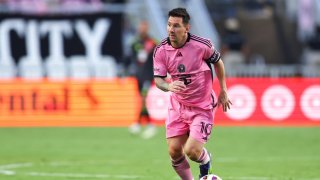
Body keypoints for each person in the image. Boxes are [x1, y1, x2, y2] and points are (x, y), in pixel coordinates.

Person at [153, 8, 232, 179]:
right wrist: (168, 87)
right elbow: (158, 80)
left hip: (202, 106)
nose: (171, 30)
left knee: (192, 151)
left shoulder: (201, 45)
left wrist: (223, 89)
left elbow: (218, 63)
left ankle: (206, 159)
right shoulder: (161, 50)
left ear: (186, 28)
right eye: (169, 25)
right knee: (174, 151)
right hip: (178, 106)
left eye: (176, 26)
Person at [128, 20, 158, 139]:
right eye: (141, 27)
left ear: (148, 28)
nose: (142, 29)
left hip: (148, 75)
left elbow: (160, 58)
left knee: (144, 99)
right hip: (138, 76)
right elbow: (131, 58)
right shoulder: (135, 43)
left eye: (144, 27)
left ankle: (146, 124)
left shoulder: (153, 42)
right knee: (141, 99)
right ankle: (142, 124)